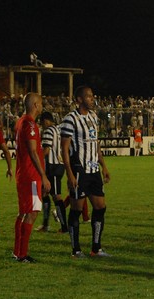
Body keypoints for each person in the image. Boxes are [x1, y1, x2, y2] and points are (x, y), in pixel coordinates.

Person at [61, 86, 111, 258]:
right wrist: (69, 173)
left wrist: (103, 166)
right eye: (88, 96)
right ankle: (76, 250)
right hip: (79, 169)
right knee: (76, 210)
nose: (92, 98)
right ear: (79, 99)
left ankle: (96, 248)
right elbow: (64, 149)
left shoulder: (94, 117)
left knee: (100, 207)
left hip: (94, 170)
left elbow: (96, 145)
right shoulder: (70, 119)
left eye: (92, 95)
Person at [13, 93, 51, 263]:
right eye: (41, 103)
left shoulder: (21, 121)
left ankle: (17, 251)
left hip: (23, 173)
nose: (42, 106)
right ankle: (22, 254)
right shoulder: (30, 124)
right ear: (35, 105)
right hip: (31, 175)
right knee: (32, 213)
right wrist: (43, 176)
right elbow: (33, 151)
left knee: (23, 212)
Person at [36, 111, 68, 233]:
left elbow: (47, 150)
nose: (42, 126)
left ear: (45, 121)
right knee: (44, 193)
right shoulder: (59, 129)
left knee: (56, 196)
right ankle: (45, 225)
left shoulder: (49, 131)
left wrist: (37, 161)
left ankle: (64, 227)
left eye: (41, 123)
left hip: (52, 166)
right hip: (59, 165)